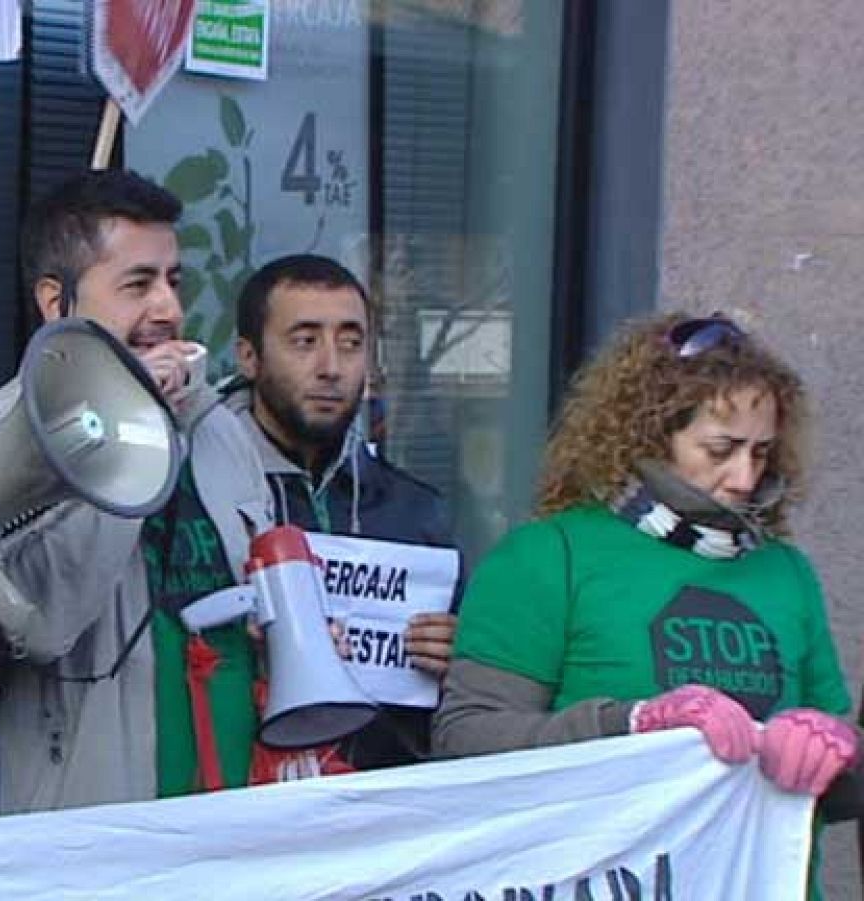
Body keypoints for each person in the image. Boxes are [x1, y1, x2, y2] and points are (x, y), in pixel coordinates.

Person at [434, 313, 857, 898]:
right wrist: (627, 723)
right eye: (720, 449)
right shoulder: (548, 555)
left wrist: (834, 753)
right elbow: (465, 742)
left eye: (761, 453)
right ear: (652, 435)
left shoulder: (785, 570)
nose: (743, 477)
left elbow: (845, 778)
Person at [0, 169, 274, 812]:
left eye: (173, 281)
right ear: (55, 301)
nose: (169, 311)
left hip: (234, 811)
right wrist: (125, 423)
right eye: (137, 285)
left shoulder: (217, 427)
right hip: (93, 822)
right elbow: (40, 623)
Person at [224, 254, 459, 774]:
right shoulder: (196, 497)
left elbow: (451, 716)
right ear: (248, 356)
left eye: (351, 343)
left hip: (372, 807)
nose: (331, 366)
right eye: (304, 341)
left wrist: (456, 661)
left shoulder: (416, 510)